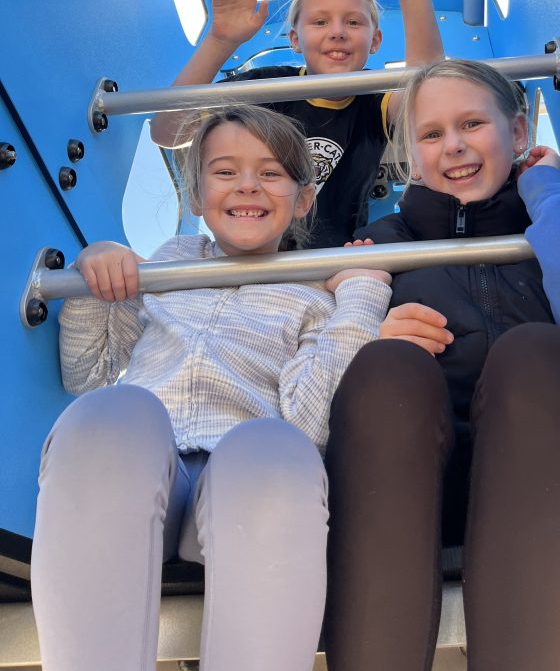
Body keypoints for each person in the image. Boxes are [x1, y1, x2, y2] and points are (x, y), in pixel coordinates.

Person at [31, 105, 392, 671]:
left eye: (271, 172)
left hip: (245, 494)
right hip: (143, 476)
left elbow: (309, 425)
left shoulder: (311, 294)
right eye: (225, 171)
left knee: (273, 446)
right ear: (196, 196)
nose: (247, 184)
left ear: (303, 200)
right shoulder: (167, 265)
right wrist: (93, 279)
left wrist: (360, 299)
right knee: (110, 413)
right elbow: (87, 374)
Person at [323, 59, 560, 671]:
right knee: (387, 367)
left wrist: (546, 192)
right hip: (421, 478)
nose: (453, 146)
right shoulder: (378, 245)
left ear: (519, 134)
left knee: (539, 349)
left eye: (472, 123)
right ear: (412, 158)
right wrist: (370, 332)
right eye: (431, 133)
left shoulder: (555, 222)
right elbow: (321, 363)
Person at [151, 0, 444, 247]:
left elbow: (427, 95)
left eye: (354, 22)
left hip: (327, 264)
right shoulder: (266, 87)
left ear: (374, 41)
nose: (337, 32)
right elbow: (168, 132)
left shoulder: (375, 97)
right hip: (247, 252)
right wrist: (219, 42)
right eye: (319, 22)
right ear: (294, 40)